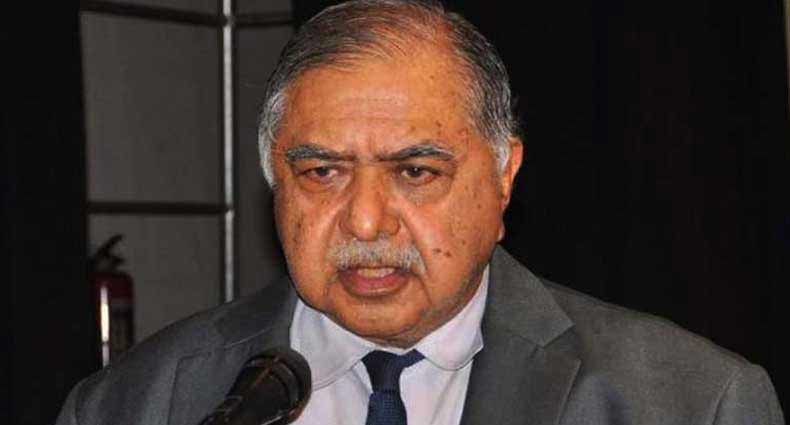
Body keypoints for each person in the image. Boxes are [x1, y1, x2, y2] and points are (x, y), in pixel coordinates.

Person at [56, 1, 784, 424]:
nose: (366, 222)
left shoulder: (693, 403)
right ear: (274, 179)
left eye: (415, 171)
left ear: (504, 177)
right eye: (322, 172)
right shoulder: (135, 404)